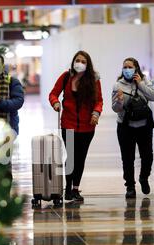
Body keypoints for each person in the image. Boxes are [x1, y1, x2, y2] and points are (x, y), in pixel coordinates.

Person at [49, 51, 103, 202]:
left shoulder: (94, 80)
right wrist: (55, 103)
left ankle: (75, 189)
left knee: (81, 158)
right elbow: (53, 94)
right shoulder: (66, 77)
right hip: (69, 124)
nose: (80, 63)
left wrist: (96, 113)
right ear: (73, 62)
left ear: (88, 64)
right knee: (71, 157)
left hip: (88, 127)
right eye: (77, 60)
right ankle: (68, 188)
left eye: (83, 61)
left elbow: (99, 100)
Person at [112, 57, 154, 199]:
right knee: (127, 158)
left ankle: (144, 178)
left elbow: (153, 96)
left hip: (144, 126)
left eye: (130, 67)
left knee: (147, 156)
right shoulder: (117, 85)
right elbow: (115, 108)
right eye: (125, 67)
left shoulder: (145, 81)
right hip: (125, 126)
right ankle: (130, 186)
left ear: (136, 68)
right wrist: (119, 101)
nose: (127, 69)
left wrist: (141, 84)